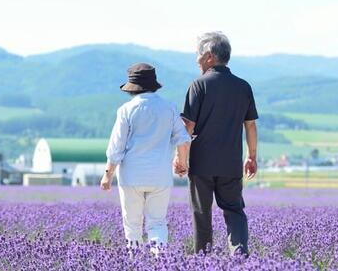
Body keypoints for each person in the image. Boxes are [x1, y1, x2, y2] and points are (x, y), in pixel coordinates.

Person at [174, 31, 258, 255]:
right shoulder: (243, 87)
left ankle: (204, 260)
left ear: (209, 56)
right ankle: (239, 254)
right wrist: (252, 156)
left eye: (198, 55)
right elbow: (250, 125)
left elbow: (188, 127)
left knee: (201, 213)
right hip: (231, 163)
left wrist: (180, 158)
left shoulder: (198, 85)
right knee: (234, 211)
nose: (197, 60)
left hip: (202, 163)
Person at [100, 63, 191, 250]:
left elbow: (116, 146)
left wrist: (108, 175)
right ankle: (161, 264)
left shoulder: (126, 110)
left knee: (132, 225)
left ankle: (136, 264)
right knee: (157, 223)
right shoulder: (169, 107)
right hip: (160, 176)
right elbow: (183, 139)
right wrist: (182, 163)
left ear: (132, 88)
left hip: (131, 177)